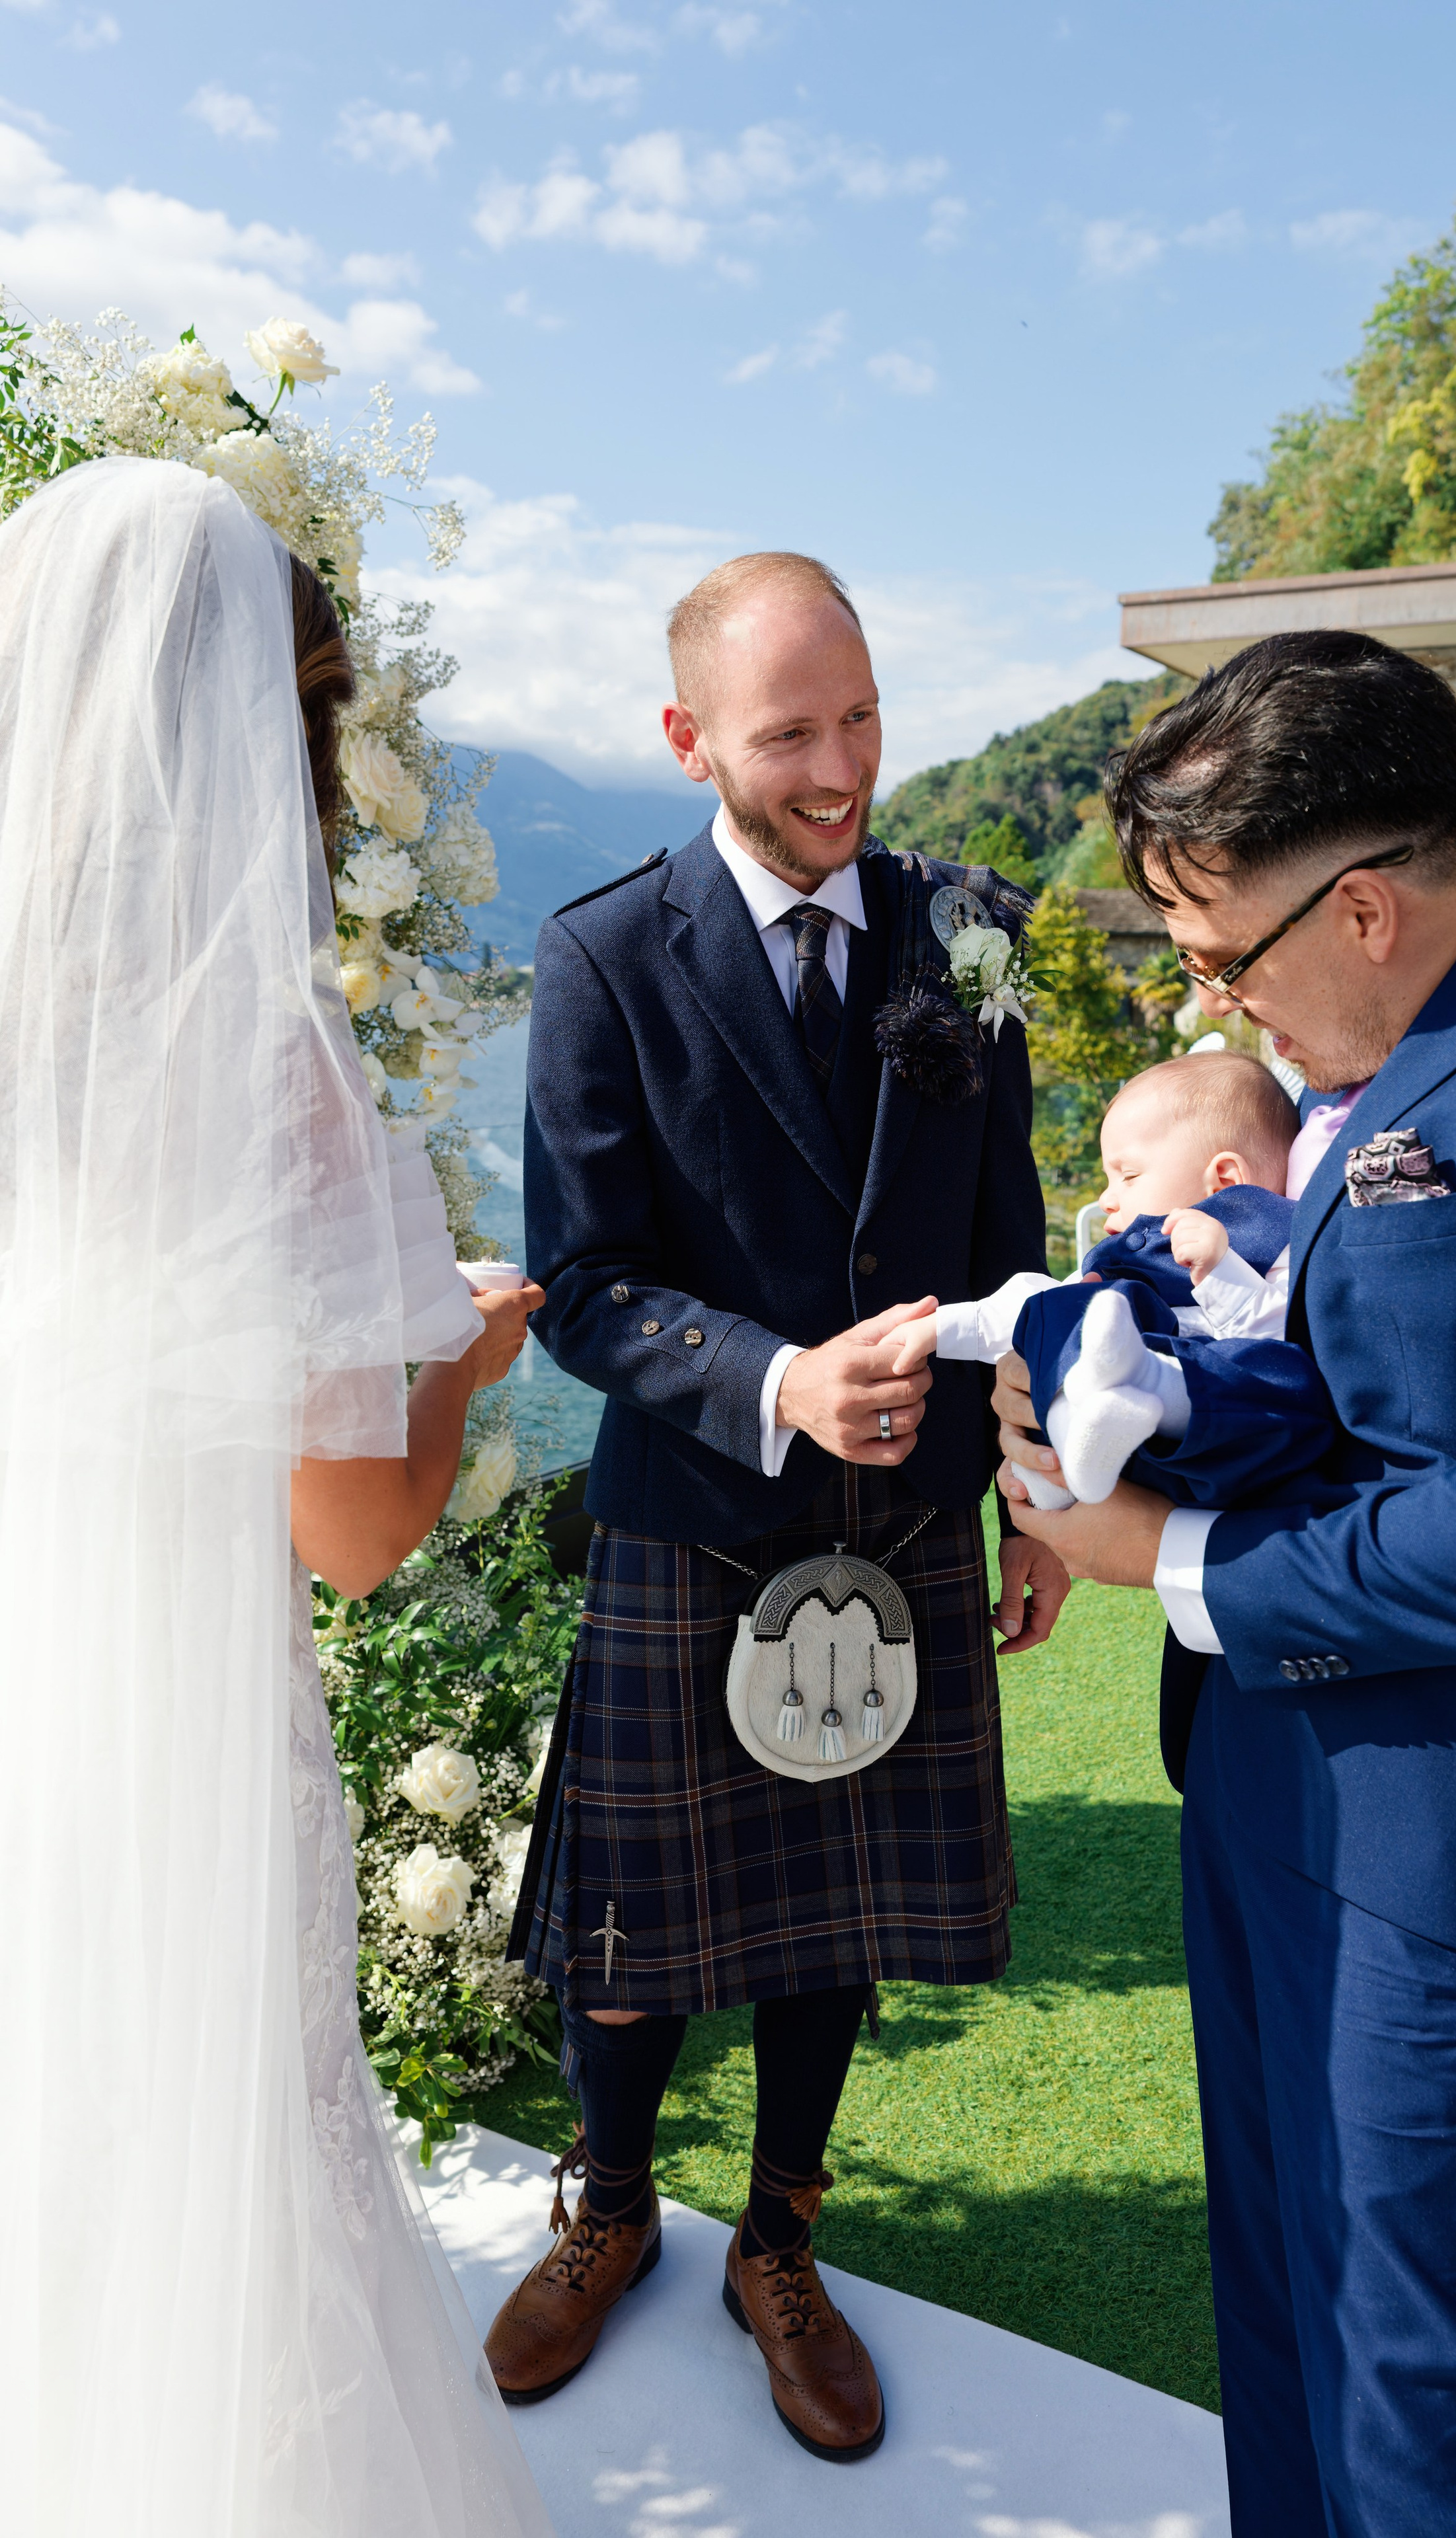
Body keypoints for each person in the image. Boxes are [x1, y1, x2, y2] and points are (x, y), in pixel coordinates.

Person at [999, 630, 1456, 2537]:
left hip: (1448, 1832)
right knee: (1289, 2314)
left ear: (1367, 907)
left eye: (1225, 964)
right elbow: (1335, 1362)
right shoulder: (1391, 1024)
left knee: (1414, 2402)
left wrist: (1177, 1554)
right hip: (1266, 1772)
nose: (1217, 1018)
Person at [0, 457, 549, 2538]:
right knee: (216, 2170)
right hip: (188, 1749)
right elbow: (349, 1534)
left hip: (20, 1715)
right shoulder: (267, 1071)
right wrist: (462, 1361)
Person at [493, 551, 1071, 2460]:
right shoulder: (600, 952)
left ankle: (780, 2238)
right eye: (790, 733)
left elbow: (1012, 1252)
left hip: (906, 1529)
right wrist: (776, 1379)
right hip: (696, 1514)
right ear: (688, 744)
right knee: (639, 1936)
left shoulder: (969, 926)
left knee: (836, 1923)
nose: (842, 769)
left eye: (863, 715)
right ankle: (610, 2204)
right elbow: (579, 1281)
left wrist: (1029, 1503)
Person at [892, 1049, 1329, 1510]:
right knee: (1058, 1305)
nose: (1106, 1198)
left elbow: (1283, 1345)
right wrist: (941, 1329)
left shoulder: (1281, 1239)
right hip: (1124, 1444)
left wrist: (1222, 1273)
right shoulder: (1121, 1260)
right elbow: (1026, 1306)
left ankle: (1092, 1426)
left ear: (1222, 1182)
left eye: (1129, 1175)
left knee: (1278, 1374)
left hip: (1220, 1440)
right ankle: (1067, 1443)